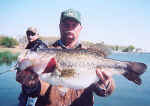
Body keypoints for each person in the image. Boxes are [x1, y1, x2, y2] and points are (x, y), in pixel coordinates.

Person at [17, 9, 115, 106]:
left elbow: (104, 92)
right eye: (66, 24)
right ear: (60, 26)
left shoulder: (91, 54)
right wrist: (31, 85)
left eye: (74, 25)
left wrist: (104, 84)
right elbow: (39, 89)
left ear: (80, 28)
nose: (70, 27)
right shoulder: (47, 53)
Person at [16, 27, 48, 106]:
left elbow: (38, 66)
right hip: (26, 87)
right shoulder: (30, 46)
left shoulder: (41, 46)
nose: (30, 36)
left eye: (32, 34)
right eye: (28, 34)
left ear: (38, 35)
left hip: (34, 89)